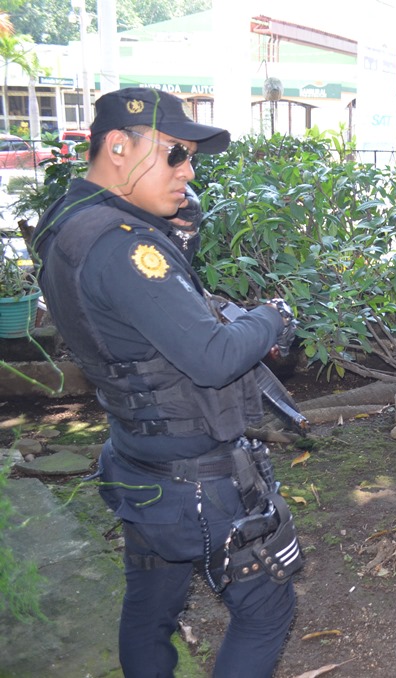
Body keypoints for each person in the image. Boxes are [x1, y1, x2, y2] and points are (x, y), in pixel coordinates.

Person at [31, 87, 301, 678]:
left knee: (150, 610)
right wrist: (273, 315)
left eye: (191, 158)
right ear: (119, 147)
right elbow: (211, 355)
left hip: (140, 460)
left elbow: (137, 328)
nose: (188, 170)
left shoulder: (72, 223)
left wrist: (177, 236)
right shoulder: (125, 249)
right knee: (266, 610)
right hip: (194, 481)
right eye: (174, 154)